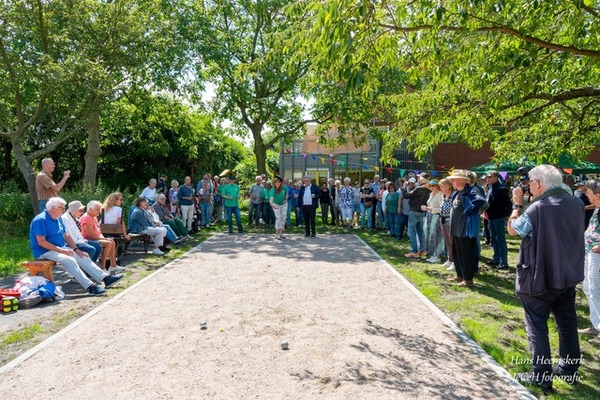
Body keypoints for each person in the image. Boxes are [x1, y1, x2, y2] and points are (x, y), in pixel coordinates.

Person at [508, 165, 584, 392]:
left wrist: (516, 204)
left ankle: (541, 377)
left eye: (530, 183)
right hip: (567, 274)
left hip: (539, 277)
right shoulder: (576, 203)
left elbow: (513, 230)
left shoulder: (537, 208)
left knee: (536, 327)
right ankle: (569, 370)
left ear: (539, 183)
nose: (528, 187)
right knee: (567, 324)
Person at [30, 197, 123, 296]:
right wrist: (61, 250)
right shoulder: (40, 220)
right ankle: (90, 287)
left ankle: (106, 278)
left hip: (60, 248)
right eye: (62, 208)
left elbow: (66, 235)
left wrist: (76, 249)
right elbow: (41, 242)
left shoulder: (58, 219)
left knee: (84, 256)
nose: (64, 210)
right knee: (69, 260)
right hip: (44, 251)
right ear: (53, 208)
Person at [447, 170, 485, 287]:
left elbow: (480, 201)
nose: (452, 181)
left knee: (465, 254)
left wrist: (468, 211)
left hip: (464, 229)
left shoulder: (470, 191)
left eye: (454, 179)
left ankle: (468, 279)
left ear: (462, 180)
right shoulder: (456, 192)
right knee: (457, 253)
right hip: (456, 228)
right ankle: (460, 275)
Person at [580, 179, 600, 346]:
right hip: (589, 252)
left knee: (596, 289)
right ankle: (595, 324)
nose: (586, 194)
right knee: (588, 288)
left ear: (597, 195)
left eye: (589, 192)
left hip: (597, 254)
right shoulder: (597, 207)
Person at [80, 201, 124, 272]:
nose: (99, 211)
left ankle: (113, 265)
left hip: (94, 238)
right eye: (97, 209)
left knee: (111, 241)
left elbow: (98, 232)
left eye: (100, 209)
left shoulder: (94, 217)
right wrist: (105, 240)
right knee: (108, 243)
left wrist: (105, 239)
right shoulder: (86, 218)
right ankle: (102, 267)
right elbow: (90, 235)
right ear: (90, 209)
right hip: (86, 240)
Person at [485, 171, 513, 269]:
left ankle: (504, 262)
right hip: (491, 217)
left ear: (496, 177)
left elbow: (508, 204)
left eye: (489, 177)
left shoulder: (501, 188)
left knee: (500, 239)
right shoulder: (490, 188)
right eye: (487, 177)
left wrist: (506, 215)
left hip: (499, 217)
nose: (487, 179)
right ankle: (496, 258)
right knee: (493, 239)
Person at [403, 177, 431, 258]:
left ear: (423, 180)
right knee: (420, 231)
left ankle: (414, 251)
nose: (418, 179)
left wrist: (404, 187)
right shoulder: (429, 189)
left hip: (415, 211)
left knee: (411, 231)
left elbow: (406, 195)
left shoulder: (419, 189)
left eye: (419, 178)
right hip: (422, 212)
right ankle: (422, 250)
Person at [424, 180, 444, 263]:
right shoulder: (431, 194)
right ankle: (431, 252)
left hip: (436, 216)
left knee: (435, 235)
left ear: (438, 186)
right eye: (431, 185)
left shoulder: (440, 195)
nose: (432, 187)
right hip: (429, 215)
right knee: (428, 233)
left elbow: (442, 208)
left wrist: (431, 209)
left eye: (434, 185)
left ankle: (437, 255)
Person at [439, 178, 455, 271]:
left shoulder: (453, 196)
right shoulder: (443, 196)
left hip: (450, 220)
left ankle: (454, 262)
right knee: (447, 242)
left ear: (448, 186)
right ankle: (450, 259)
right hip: (443, 219)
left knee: (452, 242)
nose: (440, 188)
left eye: (442, 186)